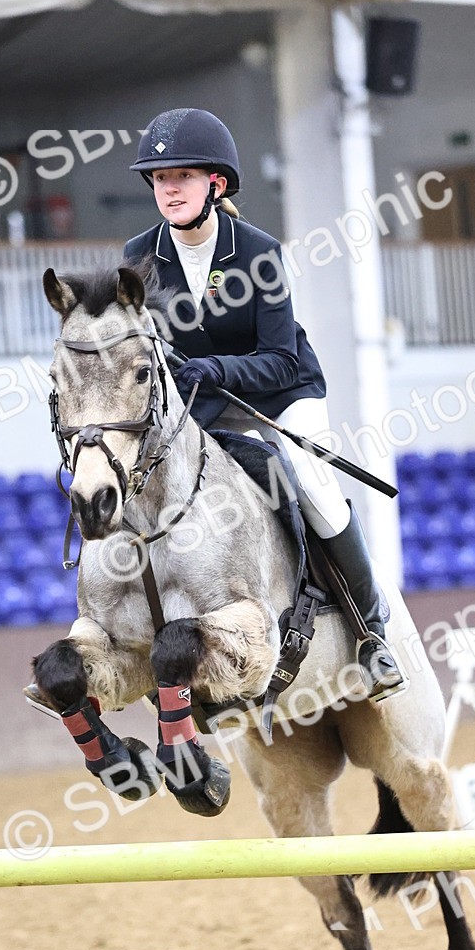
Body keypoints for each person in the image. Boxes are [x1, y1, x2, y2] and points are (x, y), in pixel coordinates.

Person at [123, 107, 404, 698]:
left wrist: (212, 367)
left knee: (314, 487)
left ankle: (371, 631)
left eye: (182, 176)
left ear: (215, 184)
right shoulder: (140, 257)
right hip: (199, 401)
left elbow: (278, 357)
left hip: (280, 394)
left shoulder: (258, 252)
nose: (168, 188)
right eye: (159, 178)